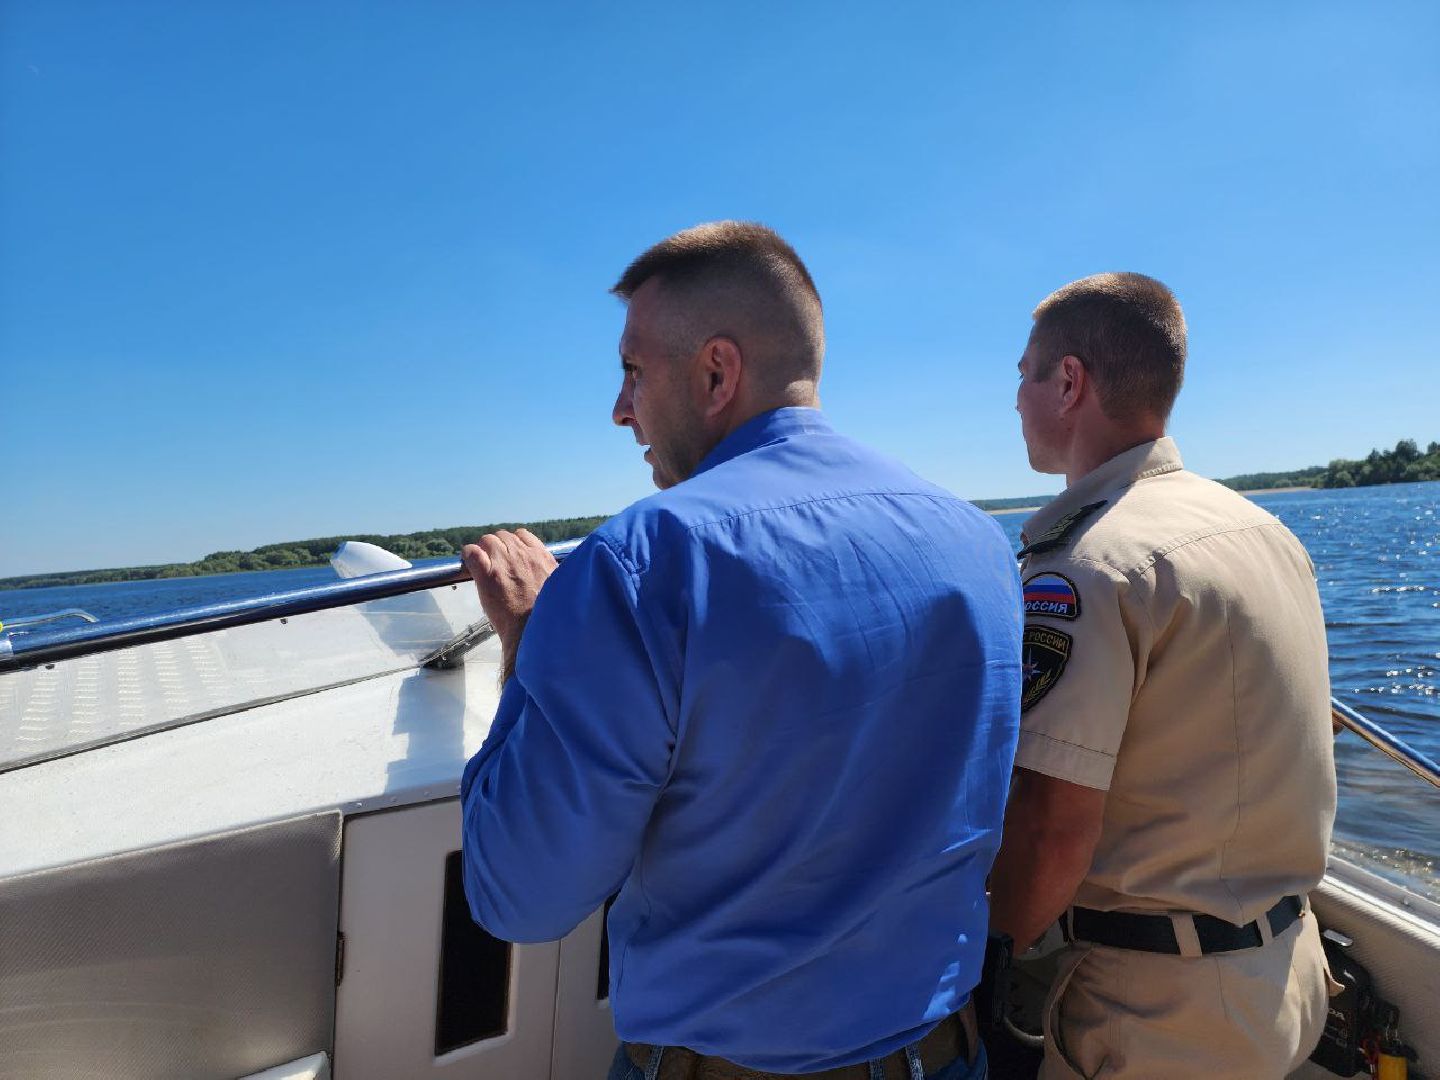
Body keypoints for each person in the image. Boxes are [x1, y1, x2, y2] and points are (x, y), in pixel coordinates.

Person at [459, 221, 1022, 1079]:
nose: (620, 409)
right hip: (946, 1055)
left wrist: (533, 642)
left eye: (633, 371)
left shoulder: (639, 565)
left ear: (717, 372)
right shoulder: (978, 542)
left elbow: (521, 894)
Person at [987, 272, 1336, 1079]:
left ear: (1068, 382)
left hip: (1161, 1012)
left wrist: (972, 974)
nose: (1015, 399)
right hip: (1286, 975)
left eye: (1025, 374)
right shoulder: (1262, 530)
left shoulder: (1088, 566)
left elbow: (1052, 826)